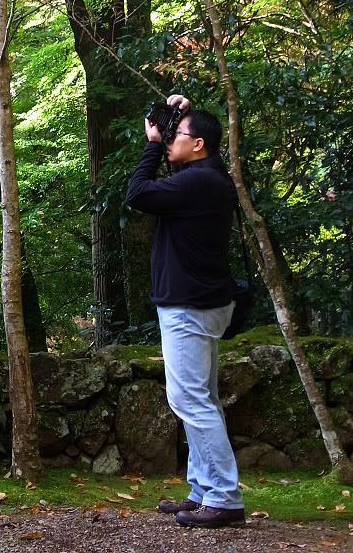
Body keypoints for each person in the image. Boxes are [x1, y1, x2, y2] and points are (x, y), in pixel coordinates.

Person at [125, 93, 245, 529]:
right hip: (201, 302)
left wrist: (152, 145)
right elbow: (172, 178)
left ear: (198, 145)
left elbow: (138, 193)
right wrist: (179, 114)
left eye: (178, 134)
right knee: (202, 398)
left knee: (189, 400)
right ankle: (203, 490)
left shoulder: (200, 182)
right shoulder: (205, 178)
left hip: (189, 306)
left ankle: (224, 498)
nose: (169, 137)